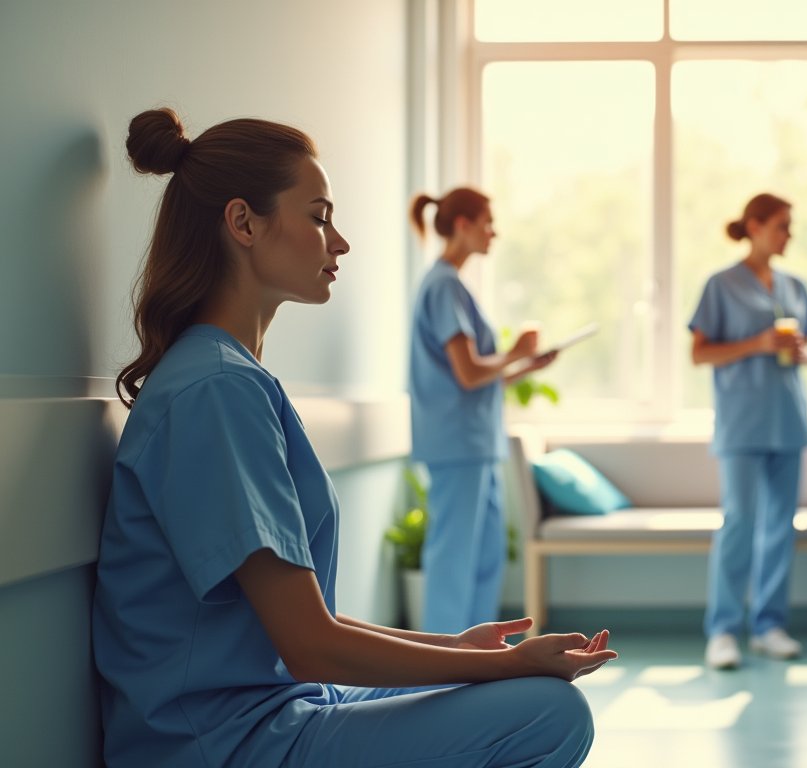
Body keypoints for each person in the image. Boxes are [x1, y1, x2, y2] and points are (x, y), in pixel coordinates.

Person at [93, 107, 615, 767]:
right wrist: (503, 670)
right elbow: (312, 645)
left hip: (276, 706)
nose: (338, 243)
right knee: (549, 712)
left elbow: (312, 627)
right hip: (222, 743)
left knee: (532, 695)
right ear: (243, 223)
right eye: (318, 216)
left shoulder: (230, 379)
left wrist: (457, 651)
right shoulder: (214, 391)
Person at [408, 187, 556, 634]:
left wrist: (524, 365)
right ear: (462, 225)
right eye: (488, 221)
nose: (495, 231)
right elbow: (469, 373)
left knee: (486, 556)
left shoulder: (453, 285)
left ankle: (475, 657)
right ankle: (439, 666)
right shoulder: (444, 285)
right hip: (458, 443)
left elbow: (476, 378)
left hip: (476, 442)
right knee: (454, 557)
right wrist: (513, 354)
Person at [689, 192, 807, 669]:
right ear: (756, 226)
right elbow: (700, 353)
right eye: (783, 225)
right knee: (740, 522)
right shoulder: (720, 285)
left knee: (780, 527)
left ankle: (769, 625)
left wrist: (799, 351)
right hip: (743, 422)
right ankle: (723, 630)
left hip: (787, 419)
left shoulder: (795, 286)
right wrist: (757, 343)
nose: (789, 234)